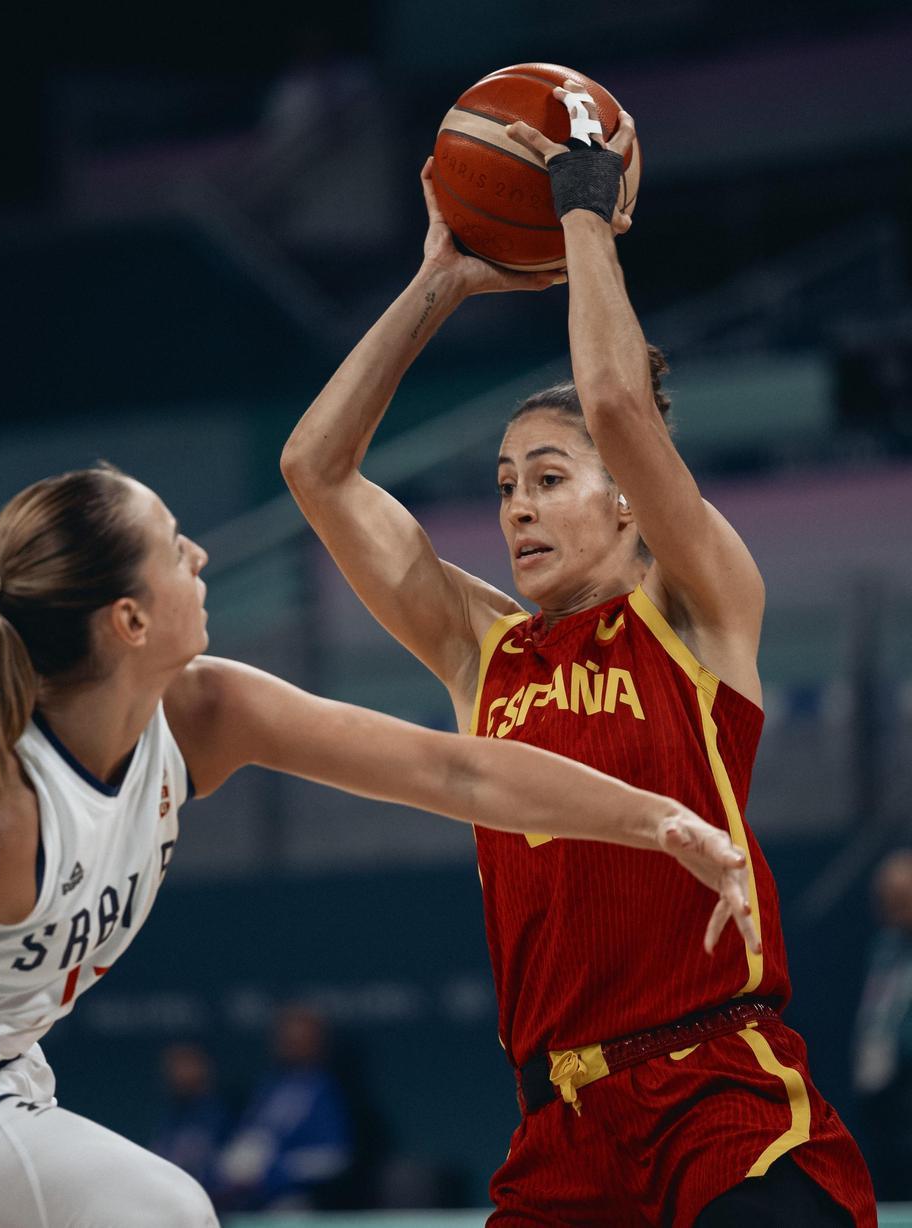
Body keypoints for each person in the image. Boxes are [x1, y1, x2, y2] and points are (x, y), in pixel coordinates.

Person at [0, 462, 755, 1228]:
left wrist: (660, 820)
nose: (201, 556)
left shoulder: (207, 712)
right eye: (177, 543)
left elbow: (461, 771)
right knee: (163, 1214)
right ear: (129, 619)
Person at [281, 83, 877, 1226]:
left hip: (717, 1091)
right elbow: (316, 470)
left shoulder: (699, 607)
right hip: (559, 1129)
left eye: (549, 479)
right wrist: (438, 281)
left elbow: (613, 399)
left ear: (627, 507)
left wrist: (582, 214)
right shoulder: (480, 651)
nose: (518, 508)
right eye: (505, 486)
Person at [213, 1004, 351, 1211]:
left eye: (300, 1039)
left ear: (317, 1042)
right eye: (287, 1038)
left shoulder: (329, 1089)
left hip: (295, 1200)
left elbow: (333, 1157)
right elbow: (248, 1140)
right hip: (244, 1199)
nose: (291, 1044)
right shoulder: (268, 1087)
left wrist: (274, 1172)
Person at [853, 849, 912, 1200]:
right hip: (880, 1102)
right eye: (885, 899)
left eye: (900, 899)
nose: (890, 908)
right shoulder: (883, 948)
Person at [151, 1042, 230, 1191]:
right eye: (174, 1066)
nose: (179, 1073)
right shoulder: (173, 1118)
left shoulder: (224, 1114)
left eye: (187, 1065)